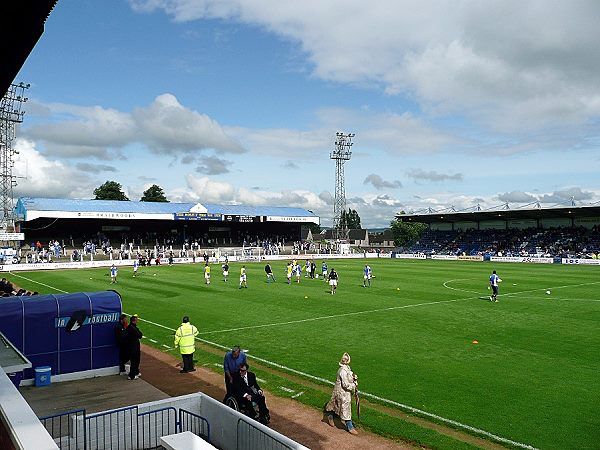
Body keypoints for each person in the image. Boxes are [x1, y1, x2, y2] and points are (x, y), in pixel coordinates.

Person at [325, 352, 358, 435]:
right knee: (344, 406)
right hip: (342, 392)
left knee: (335, 404)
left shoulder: (347, 368)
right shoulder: (342, 371)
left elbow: (349, 376)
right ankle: (349, 426)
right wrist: (354, 385)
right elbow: (345, 385)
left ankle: (330, 415)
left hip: (342, 391)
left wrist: (353, 377)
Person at [125, 314, 143, 380]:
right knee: (135, 361)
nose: (137, 321)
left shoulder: (129, 327)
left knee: (135, 360)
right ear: (134, 321)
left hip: (131, 346)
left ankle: (135, 372)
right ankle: (132, 375)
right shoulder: (133, 328)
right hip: (134, 347)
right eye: (136, 320)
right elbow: (140, 335)